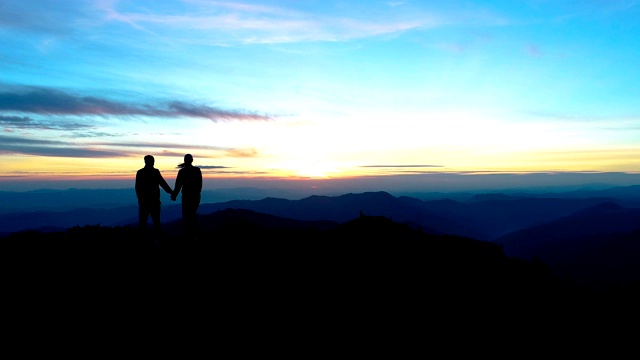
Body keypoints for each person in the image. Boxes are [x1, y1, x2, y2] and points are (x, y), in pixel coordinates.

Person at [135, 155, 174, 233]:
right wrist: (172, 192)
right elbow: (163, 183)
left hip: (144, 202)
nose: (153, 162)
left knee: (143, 223)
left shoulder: (140, 172)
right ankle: (157, 240)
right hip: (154, 201)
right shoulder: (155, 172)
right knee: (156, 223)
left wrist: (140, 199)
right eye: (152, 161)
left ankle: (142, 241)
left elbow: (137, 187)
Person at [171, 154, 203, 238]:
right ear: (192, 160)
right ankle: (193, 234)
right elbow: (199, 185)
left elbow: (178, 185)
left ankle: (187, 234)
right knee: (192, 214)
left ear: (185, 160)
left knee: (186, 215)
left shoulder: (182, 172)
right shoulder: (197, 170)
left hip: (186, 197)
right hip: (195, 197)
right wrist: (197, 194)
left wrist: (174, 195)